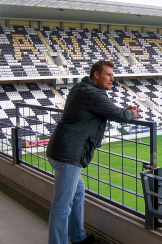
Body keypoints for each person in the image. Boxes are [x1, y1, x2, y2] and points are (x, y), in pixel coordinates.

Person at [46, 60, 139, 244]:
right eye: (109, 75)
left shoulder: (82, 88)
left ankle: (78, 238)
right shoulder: (92, 93)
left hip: (60, 150)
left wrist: (123, 111)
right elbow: (118, 115)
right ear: (96, 75)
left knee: (78, 192)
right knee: (62, 207)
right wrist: (132, 114)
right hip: (69, 155)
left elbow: (102, 111)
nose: (113, 79)